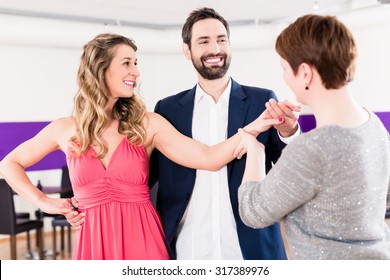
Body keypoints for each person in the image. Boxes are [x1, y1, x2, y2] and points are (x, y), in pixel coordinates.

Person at [0, 33, 281, 260]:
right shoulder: (64, 128)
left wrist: (253, 127)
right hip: (93, 243)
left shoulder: (147, 124)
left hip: (143, 241)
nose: (136, 71)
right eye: (127, 63)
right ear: (101, 69)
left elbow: (207, 157)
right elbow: (9, 164)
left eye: (136, 63)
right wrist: (46, 202)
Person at [148, 7, 300, 260]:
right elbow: (149, 177)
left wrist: (289, 131)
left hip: (251, 247)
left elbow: (289, 170)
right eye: (204, 41)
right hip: (189, 247)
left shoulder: (262, 100)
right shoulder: (167, 110)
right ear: (187, 51)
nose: (215, 49)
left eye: (221, 39)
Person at [238, 14, 390, 259]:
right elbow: (326, 177)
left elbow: (253, 212)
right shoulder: (375, 127)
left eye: (285, 69)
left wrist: (254, 150)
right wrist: (289, 133)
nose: (284, 77)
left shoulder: (313, 149)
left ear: (306, 73)